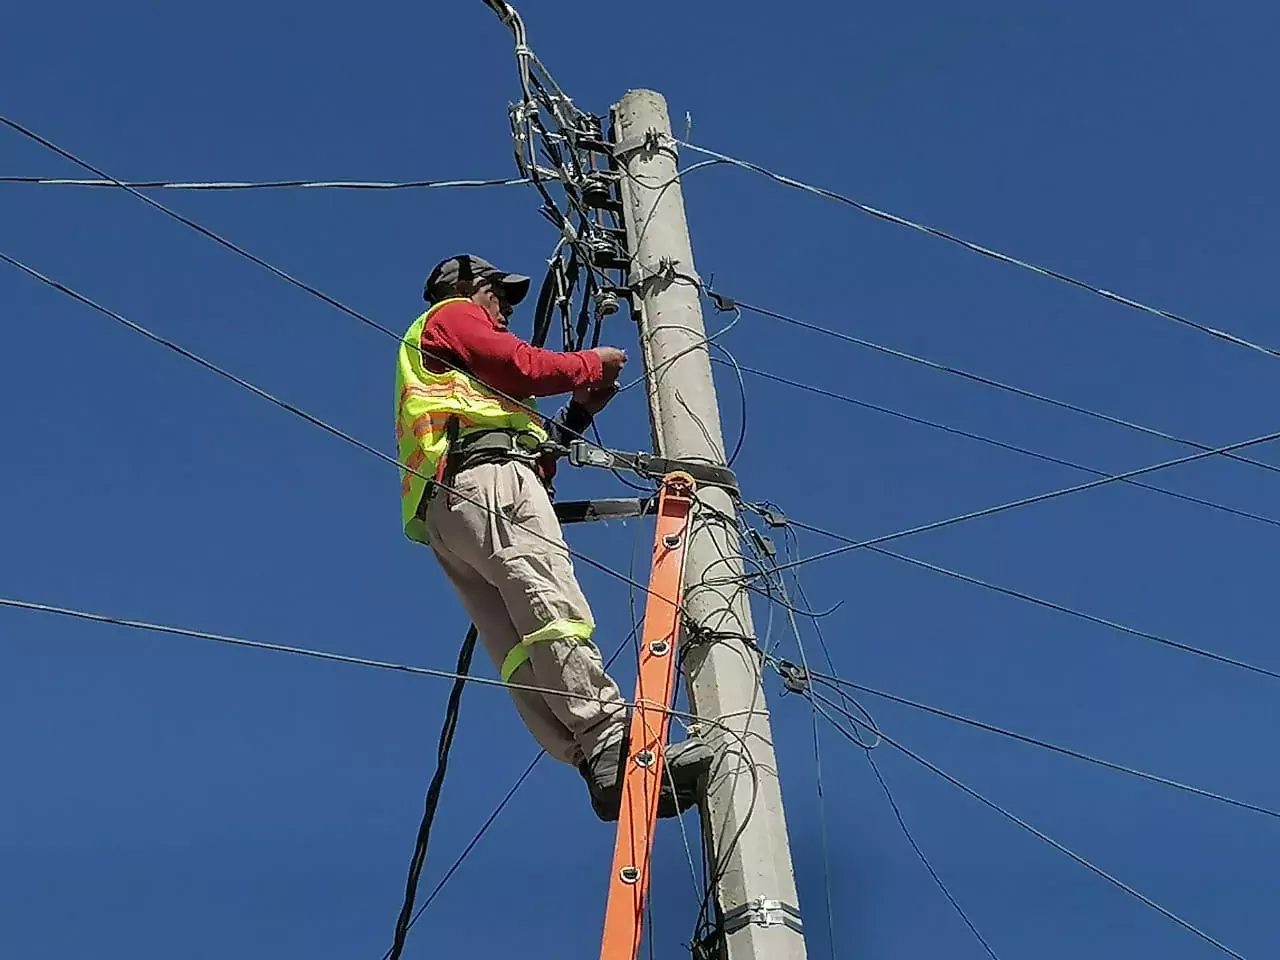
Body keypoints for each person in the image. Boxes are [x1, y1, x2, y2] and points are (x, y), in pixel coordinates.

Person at [395, 254, 712, 821]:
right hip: (486, 482)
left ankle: (595, 761)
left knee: (517, 643)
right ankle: (613, 737)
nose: (507, 309)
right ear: (470, 286)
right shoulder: (455, 315)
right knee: (549, 602)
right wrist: (590, 364)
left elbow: (536, 448)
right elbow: (521, 366)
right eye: (501, 294)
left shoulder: (457, 373)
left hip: (449, 512)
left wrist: (579, 412)